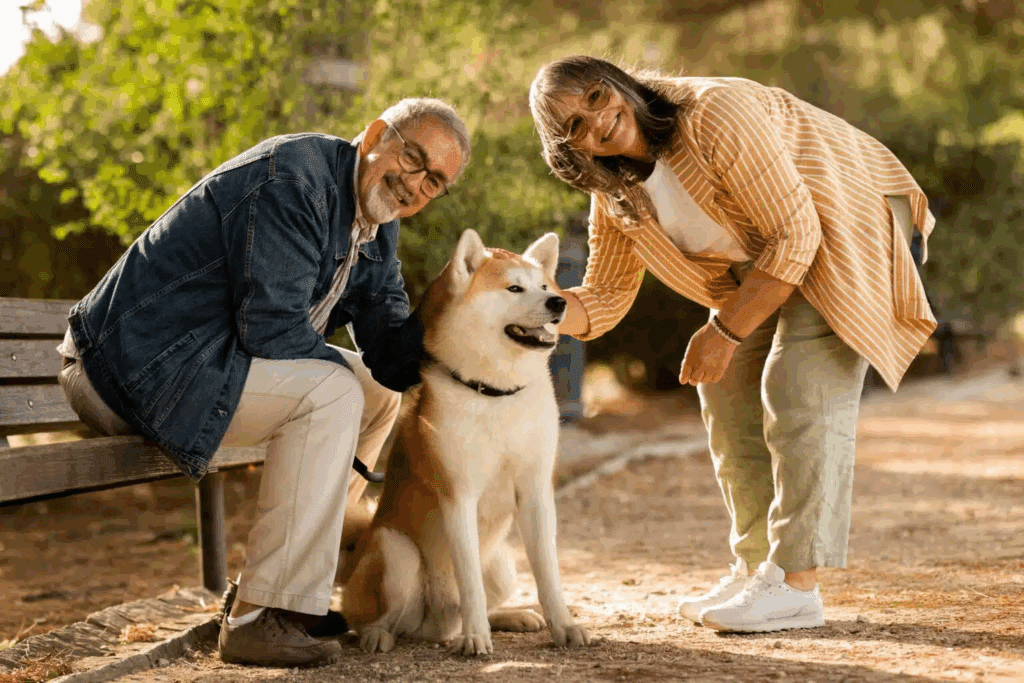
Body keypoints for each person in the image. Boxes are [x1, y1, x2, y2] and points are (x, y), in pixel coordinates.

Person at [56, 98, 471, 665]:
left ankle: (292, 587)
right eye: (413, 157)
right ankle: (259, 617)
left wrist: (447, 296)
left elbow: (392, 360)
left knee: (377, 396)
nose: (414, 184)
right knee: (331, 394)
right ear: (376, 133)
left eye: (434, 182)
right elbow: (273, 333)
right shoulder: (294, 181)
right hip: (130, 368)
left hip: (204, 364)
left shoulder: (375, 226)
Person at [530, 56, 936, 633]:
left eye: (596, 96)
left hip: (846, 221)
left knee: (798, 387)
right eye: (572, 126)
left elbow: (797, 233)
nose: (595, 121)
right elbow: (605, 294)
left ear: (619, 82)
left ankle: (796, 585)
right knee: (723, 388)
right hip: (771, 258)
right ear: (572, 152)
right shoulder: (618, 194)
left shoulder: (714, 114)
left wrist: (723, 329)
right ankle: (755, 571)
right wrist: (531, 310)